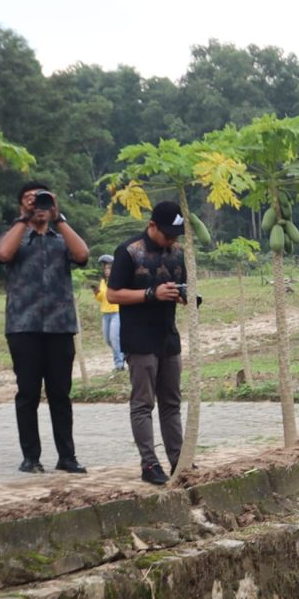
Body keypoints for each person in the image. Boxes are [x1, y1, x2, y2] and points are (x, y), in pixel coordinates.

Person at [0, 179, 89, 474]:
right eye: (30, 198)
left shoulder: (61, 237)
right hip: (23, 327)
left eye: (42, 198)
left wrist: (60, 218)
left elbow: (82, 255)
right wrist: (24, 219)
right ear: (21, 204)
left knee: (61, 394)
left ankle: (67, 456)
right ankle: (30, 457)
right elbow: (2, 255)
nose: (37, 204)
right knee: (28, 394)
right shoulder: (16, 235)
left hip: (60, 327)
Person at [109, 199, 189, 486]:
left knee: (172, 403)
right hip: (139, 338)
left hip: (168, 337)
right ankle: (149, 463)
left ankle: (179, 460)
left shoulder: (177, 252)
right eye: (167, 234)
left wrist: (186, 296)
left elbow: (183, 287)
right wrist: (150, 294)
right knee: (143, 403)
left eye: (175, 235)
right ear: (152, 225)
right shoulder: (129, 251)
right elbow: (113, 294)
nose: (171, 240)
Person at [93, 254, 126, 370]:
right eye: (105, 268)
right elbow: (102, 298)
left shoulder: (118, 280)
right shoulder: (103, 281)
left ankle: (119, 364)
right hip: (105, 313)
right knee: (107, 340)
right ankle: (123, 353)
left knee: (114, 338)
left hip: (116, 312)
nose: (106, 270)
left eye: (109, 268)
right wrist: (97, 293)